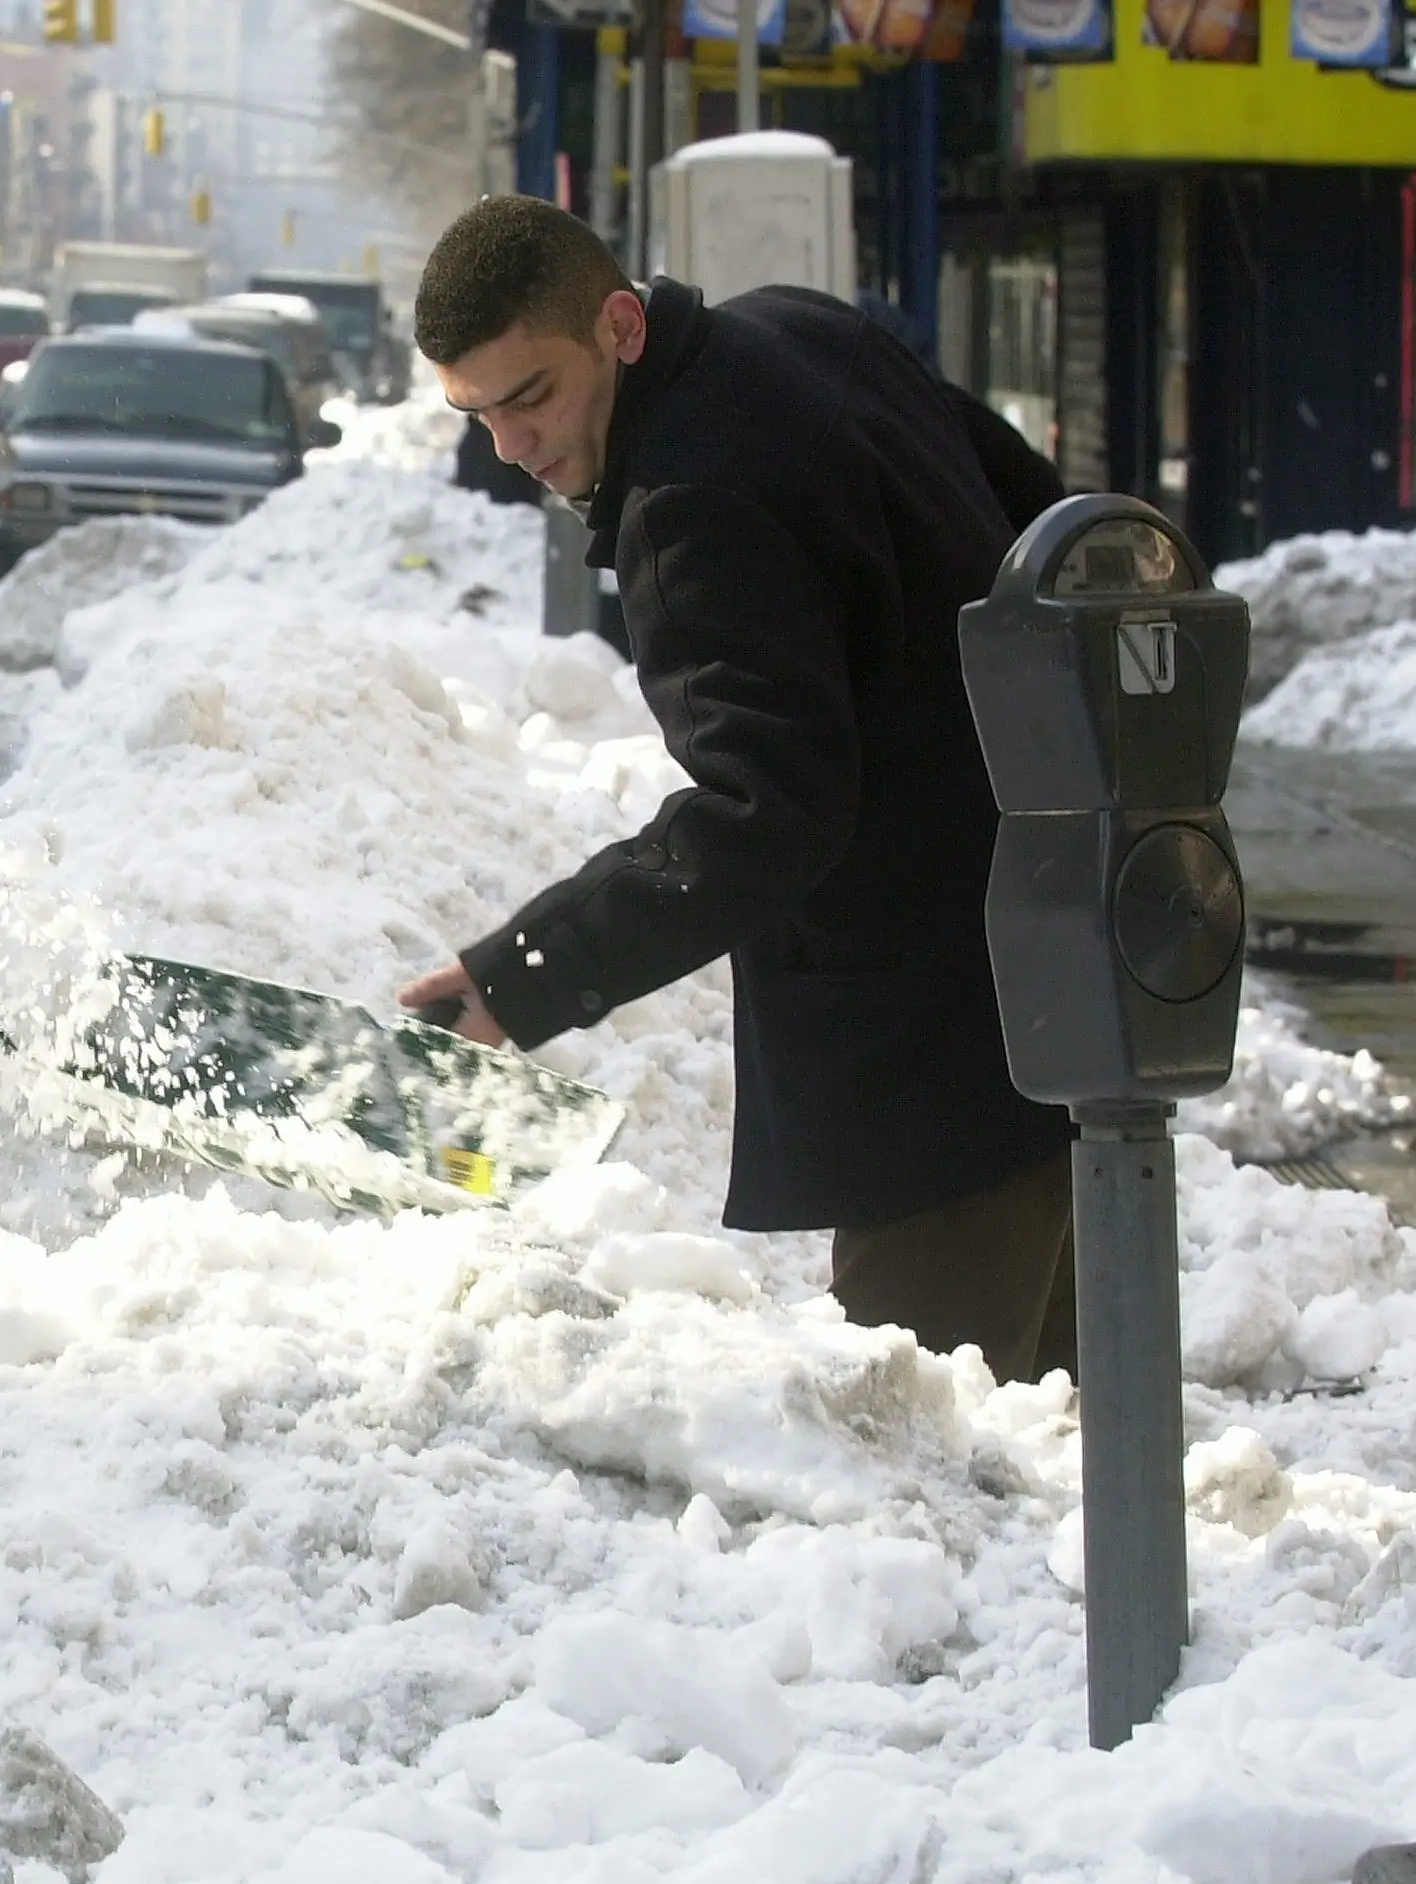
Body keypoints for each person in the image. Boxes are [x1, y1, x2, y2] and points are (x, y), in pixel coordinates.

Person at [394, 195, 1080, 1384]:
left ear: (615, 324)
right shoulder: (801, 333)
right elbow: (1040, 516)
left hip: (934, 1045)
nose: (513, 446)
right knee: (1065, 1440)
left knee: (931, 1447)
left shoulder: (687, 507)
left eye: (532, 395)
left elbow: (766, 812)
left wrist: (522, 974)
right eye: (479, 414)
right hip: (1061, 958)